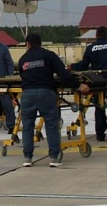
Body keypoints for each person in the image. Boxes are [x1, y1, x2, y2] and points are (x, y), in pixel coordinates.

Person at [17, 33, 90, 167]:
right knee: (51, 125)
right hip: (46, 92)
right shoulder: (49, 55)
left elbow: (22, 76)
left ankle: (27, 158)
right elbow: (63, 74)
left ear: (28, 44)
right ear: (40, 42)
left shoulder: (23, 59)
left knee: (27, 127)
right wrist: (78, 85)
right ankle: (54, 157)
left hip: (27, 94)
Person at [71, 25, 107, 142]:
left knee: (99, 107)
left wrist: (72, 67)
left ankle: (100, 134)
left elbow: (83, 65)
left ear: (96, 35)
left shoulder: (91, 48)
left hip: (97, 82)